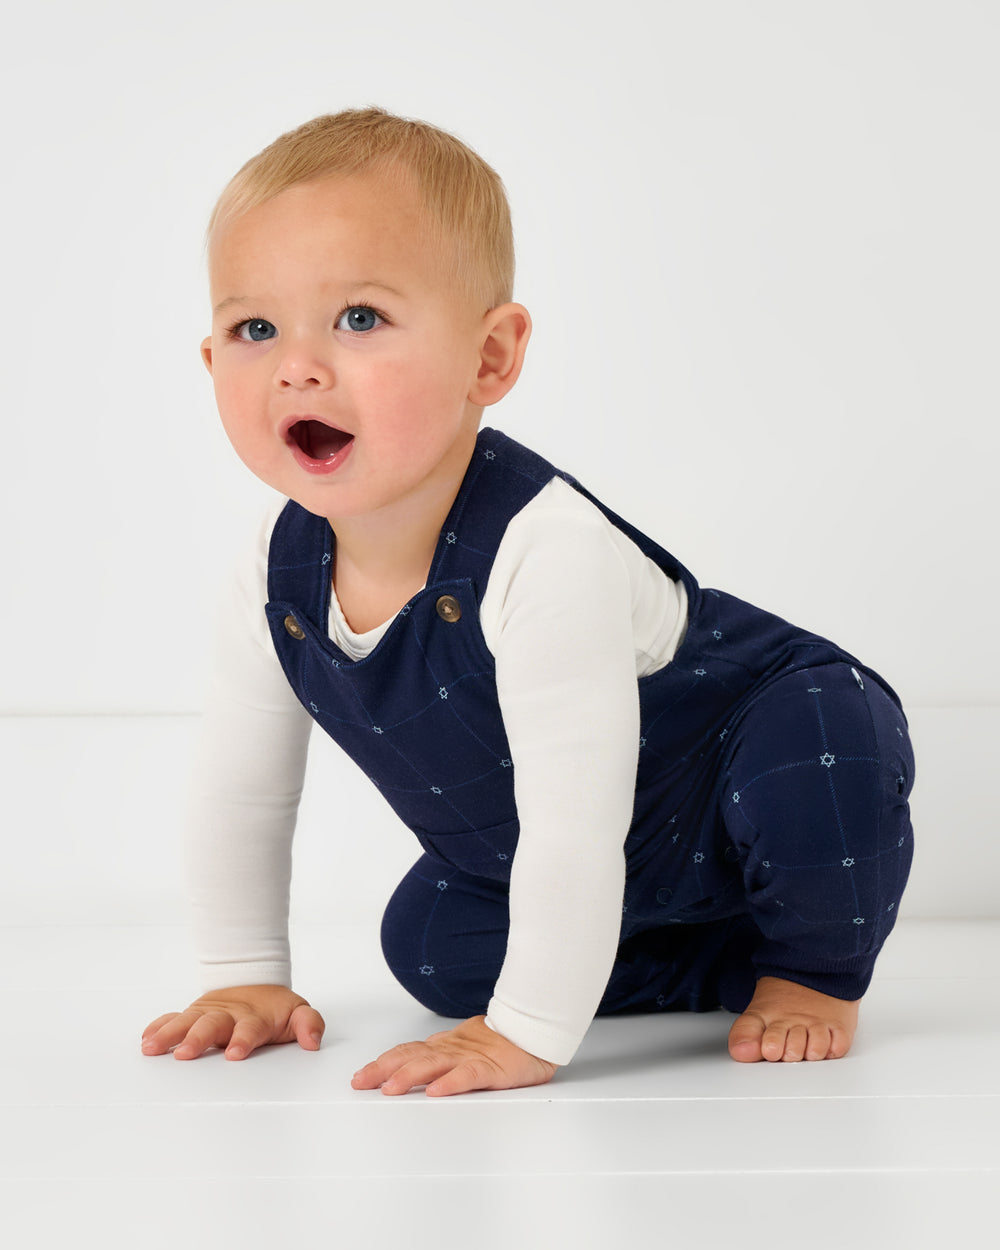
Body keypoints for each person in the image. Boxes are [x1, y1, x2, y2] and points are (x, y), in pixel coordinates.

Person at [141, 107, 915, 1096]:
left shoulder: (543, 548)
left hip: (715, 772)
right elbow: (241, 787)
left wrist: (522, 1034)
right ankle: (720, 961)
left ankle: (807, 966)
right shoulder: (272, 568)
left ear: (490, 358)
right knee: (429, 946)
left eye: (360, 318)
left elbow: (571, 821)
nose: (298, 365)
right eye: (255, 328)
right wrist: (243, 970)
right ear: (211, 363)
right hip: (570, 856)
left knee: (820, 741)